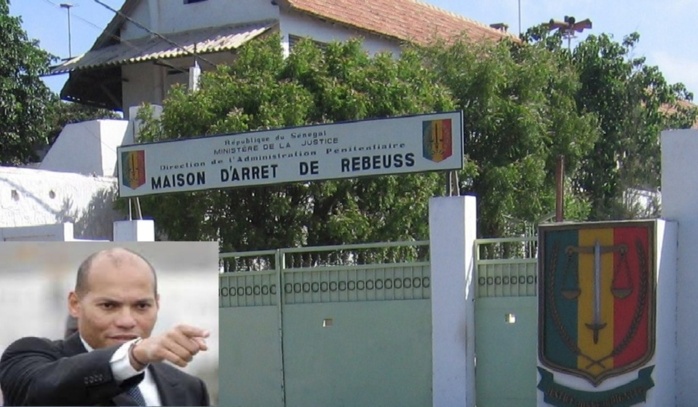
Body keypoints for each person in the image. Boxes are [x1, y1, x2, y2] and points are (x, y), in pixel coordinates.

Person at [0, 247, 211, 406]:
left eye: (141, 306)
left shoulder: (190, 389)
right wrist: (132, 356)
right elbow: (42, 390)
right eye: (109, 306)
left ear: (157, 304)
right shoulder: (27, 357)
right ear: (75, 304)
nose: (127, 321)